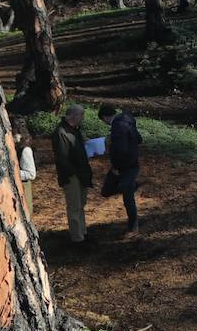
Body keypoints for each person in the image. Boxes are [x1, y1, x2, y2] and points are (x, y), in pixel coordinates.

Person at [53, 105, 93, 244]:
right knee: (74, 206)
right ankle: (77, 238)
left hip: (81, 173)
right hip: (72, 175)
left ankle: (83, 232)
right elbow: (62, 158)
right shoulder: (61, 132)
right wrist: (71, 174)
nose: (82, 119)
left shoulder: (75, 131)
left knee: (81, 204)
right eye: (81, 116)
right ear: (73, 116)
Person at [99, 103, 143, 232]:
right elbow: (139, 139)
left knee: (126, 197)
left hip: (124, 165)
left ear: (105, 117)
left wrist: (116, 167)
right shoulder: (128, 120)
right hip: (132, 162)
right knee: (114, 191)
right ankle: (130, 186)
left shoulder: (117, 126)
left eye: (103, 121)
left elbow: (121, 149)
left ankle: (133, 225)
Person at [12, 117, 37, 220]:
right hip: (16, 189)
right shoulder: (16, 146)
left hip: (23, 190)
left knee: (25, 219)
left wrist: (11, 173)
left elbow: (31, 174)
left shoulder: (25, 149)